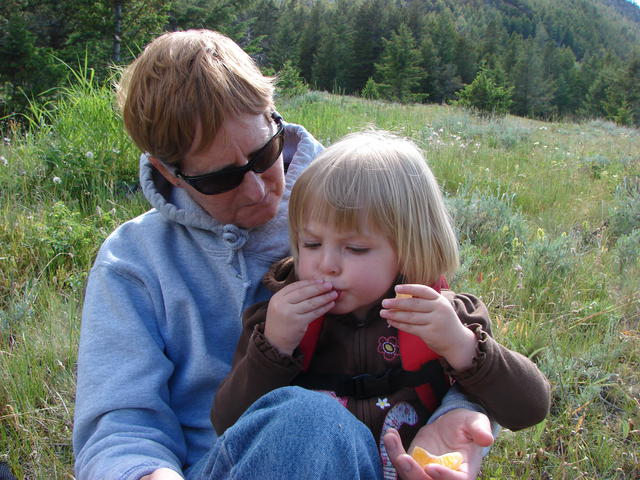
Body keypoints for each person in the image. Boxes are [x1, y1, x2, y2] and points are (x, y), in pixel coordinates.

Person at [72, 29, 501, 480]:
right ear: (168, 173)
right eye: (221, 179)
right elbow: (119, 429)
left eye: (264, 153)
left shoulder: (353, 205)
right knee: (307, 419)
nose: (259, 191)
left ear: (273, 116)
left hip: (375, 459)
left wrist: (456, 419)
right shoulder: (133, 262)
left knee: (309, 422)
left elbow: (450, 339)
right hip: (207, 467)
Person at [212, 131, 551, 479]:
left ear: (409, 248)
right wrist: (273, 350)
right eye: (311, 243)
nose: (327, 263)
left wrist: (462, 346)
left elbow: (530, 408)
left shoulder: (446, 317)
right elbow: (228, 425)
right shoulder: (279, 321)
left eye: (355, 248)